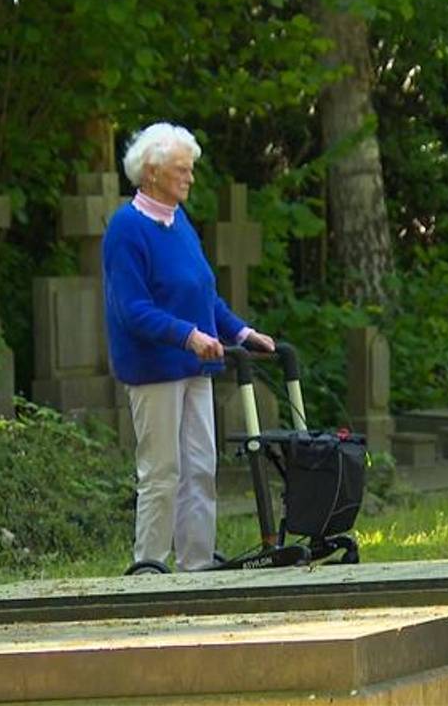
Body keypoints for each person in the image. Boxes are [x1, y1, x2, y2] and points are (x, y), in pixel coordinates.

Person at [102, 122, 275, 572]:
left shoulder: (180, 224)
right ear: (153, 171)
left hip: (197, 365)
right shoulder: (127, 228)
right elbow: (131, 308)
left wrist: (240, 333)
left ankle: (196, 563)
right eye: (182, 169)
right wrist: (187, 335)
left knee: (200, 466)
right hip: (155, 367)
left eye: (190, 169)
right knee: (162, 471)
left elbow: (204, 295)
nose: (190, 177)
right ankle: (150, 565)